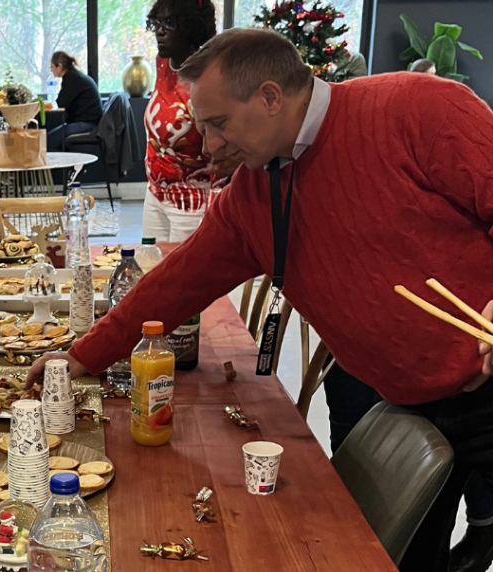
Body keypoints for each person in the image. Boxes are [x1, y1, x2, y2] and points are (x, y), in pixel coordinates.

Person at [25, 28, 493, 572]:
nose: (211, 145)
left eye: (219, 124)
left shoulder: (418, 108)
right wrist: (85, 354)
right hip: (399, 395)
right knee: (400, 558)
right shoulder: (254, 191)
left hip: (485, 388)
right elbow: (176, 282)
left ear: (271, 97)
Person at [141, 0, 227, 243]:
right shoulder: (162, 64)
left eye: (170, 23)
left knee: (183, 276)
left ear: (191, 28)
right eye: (158, 22)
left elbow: (224, 145)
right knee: (151, 269)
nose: (160, 30)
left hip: (191, 202)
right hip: (155, 193)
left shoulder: (208, 77)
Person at [46, 51, 102, 150]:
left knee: (49, 141)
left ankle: (60, 164)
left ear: (59, 66)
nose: (52, 70)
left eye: (52, 67)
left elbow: (61, 103)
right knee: (50, 137)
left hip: (87, 124)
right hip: (89, 121)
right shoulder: (74, 75)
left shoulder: (71, 78)